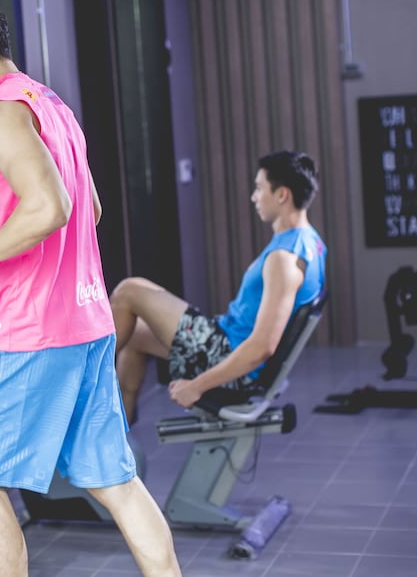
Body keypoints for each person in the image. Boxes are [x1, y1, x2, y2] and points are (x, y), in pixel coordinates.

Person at [0, 0, 181, 577]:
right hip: (87, 324)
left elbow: (51, 208)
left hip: (30, 332)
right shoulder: (50, 105)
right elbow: (87, 209)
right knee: (115, 481)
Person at [113, 151, 326, 422]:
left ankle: (74, 379)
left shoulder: (285, 260)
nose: (254, 197)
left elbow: (262, 346)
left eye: (259, 188)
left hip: (226, 354)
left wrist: (196, 386)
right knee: (133, 335)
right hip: (225, 339)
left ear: (282, 195)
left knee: (129, 290)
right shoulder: (311, 242)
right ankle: (118, 432)